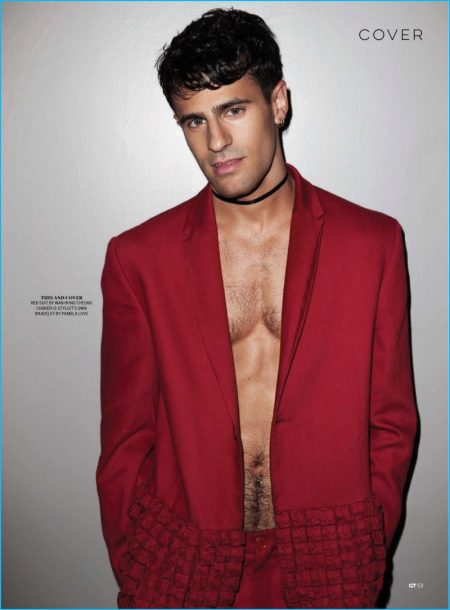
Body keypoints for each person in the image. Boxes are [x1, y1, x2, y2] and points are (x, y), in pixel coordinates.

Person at [96, 8, 417, 609]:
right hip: (185, 561)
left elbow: (392, 421)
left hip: (329, 559)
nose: (215, 142)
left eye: (234, 110)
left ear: (278, 102)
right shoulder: (139, 257)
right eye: (194, 120)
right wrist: (139, 557)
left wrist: (365, 538)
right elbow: (125, 438)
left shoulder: (372, 243)